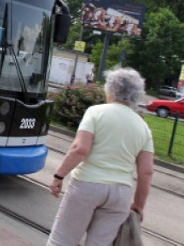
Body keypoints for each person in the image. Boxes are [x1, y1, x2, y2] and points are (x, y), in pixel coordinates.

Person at [47, 67, 154, 246]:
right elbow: (147, 172)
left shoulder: (96, 112)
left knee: (62, 240)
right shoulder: (143, 127)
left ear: (111, 90)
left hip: (87, 185)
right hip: (120, 193)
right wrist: (138, 204)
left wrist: (59, 176)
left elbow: (80, 149)